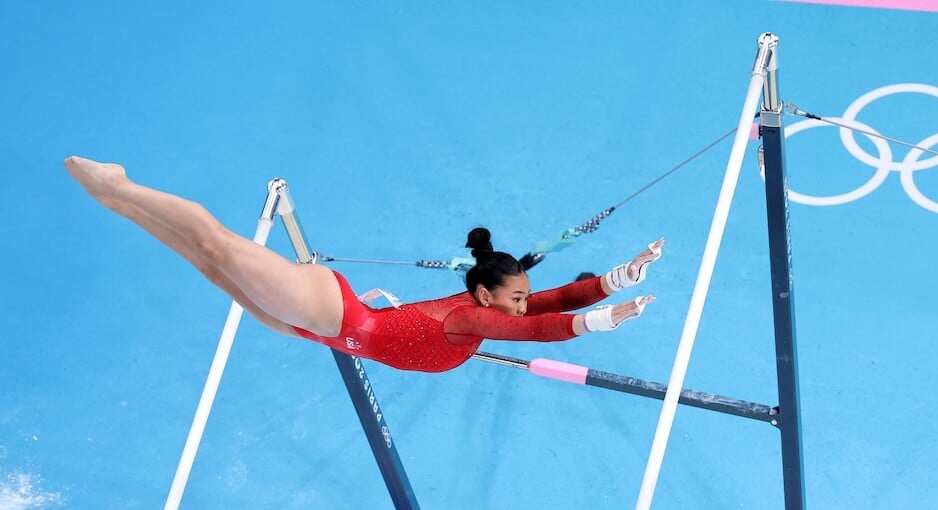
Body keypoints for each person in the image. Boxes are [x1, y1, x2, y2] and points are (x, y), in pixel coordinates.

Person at [64, 156, 661, 373]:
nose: (526, 304)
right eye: (517, 297)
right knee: (219, 245)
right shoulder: (470, 322)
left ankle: (119, 205)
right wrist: (605, 321)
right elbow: (540, 328)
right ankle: (122, 184)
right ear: (486, 297)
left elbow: (553, 303)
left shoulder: (492, 310)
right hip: (334, 313)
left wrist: (620, 278)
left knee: (209, 267)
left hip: (321, 330)